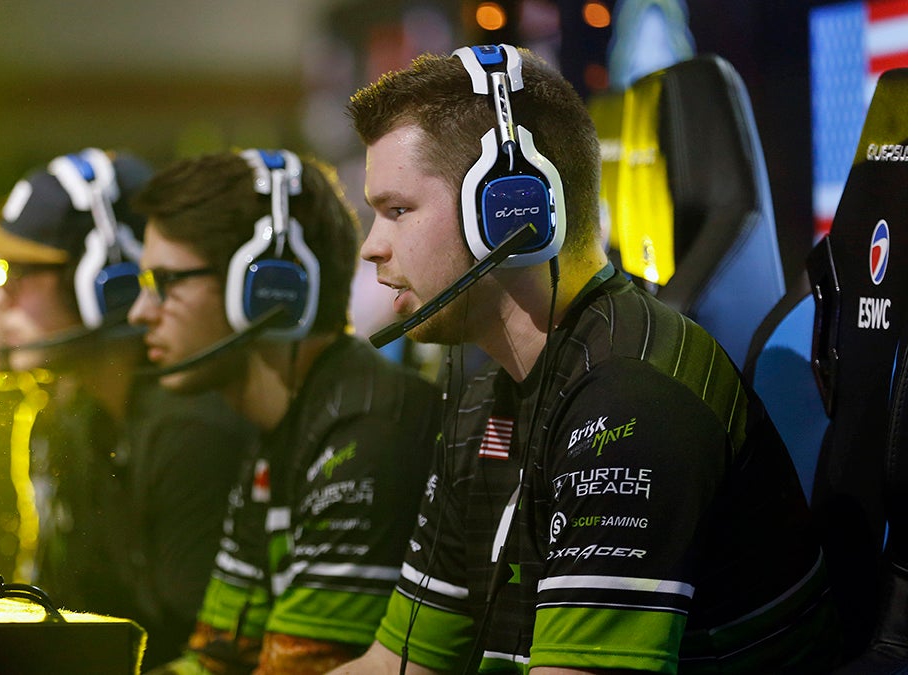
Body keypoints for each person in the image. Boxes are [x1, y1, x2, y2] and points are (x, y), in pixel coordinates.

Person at [332, 45, 840, 673]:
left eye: (396, 210)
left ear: (507, 211)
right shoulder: (479, 397)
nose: (372, 247)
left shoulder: (632, 401)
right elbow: (394, 666)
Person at [126, 148, 443, 673]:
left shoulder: (366, 433)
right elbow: (215, 660)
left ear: (267, 287)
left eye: (164, 282)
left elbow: (300, 667)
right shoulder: (282, 431)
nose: (141, 312)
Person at [0, 149, 253, 669]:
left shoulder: (192, 430)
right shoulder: (63, 419)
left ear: (108, 281)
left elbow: (222, 657)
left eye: (4, 278)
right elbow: (48, 609)